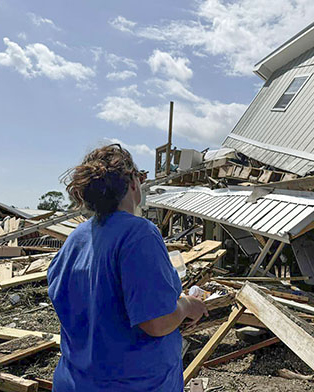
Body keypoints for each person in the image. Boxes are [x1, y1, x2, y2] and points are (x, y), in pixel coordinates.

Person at [47, 144, 208, 391]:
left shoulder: (76, 239)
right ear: (132, 182)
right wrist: (186, 306)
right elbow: (156, 322)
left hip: (75, 381)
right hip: (131, 383)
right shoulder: (139, 233)